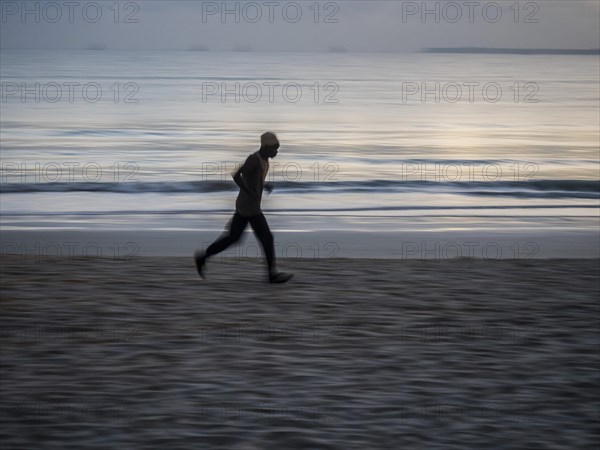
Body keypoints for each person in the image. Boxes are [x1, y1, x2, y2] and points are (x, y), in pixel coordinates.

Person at [194, 132, 294, 283]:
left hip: (246, 205)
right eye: (274, 148)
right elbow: (236, 175)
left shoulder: (265, 160)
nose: (276, 152)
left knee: (233, 238)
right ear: (265, 146)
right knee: (266, 238)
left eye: (277, 149)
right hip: (249, 207)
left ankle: (203, 257)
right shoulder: (254, 159)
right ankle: (271, 275)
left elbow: (253, 179)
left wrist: (264, 185)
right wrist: (249, 192)